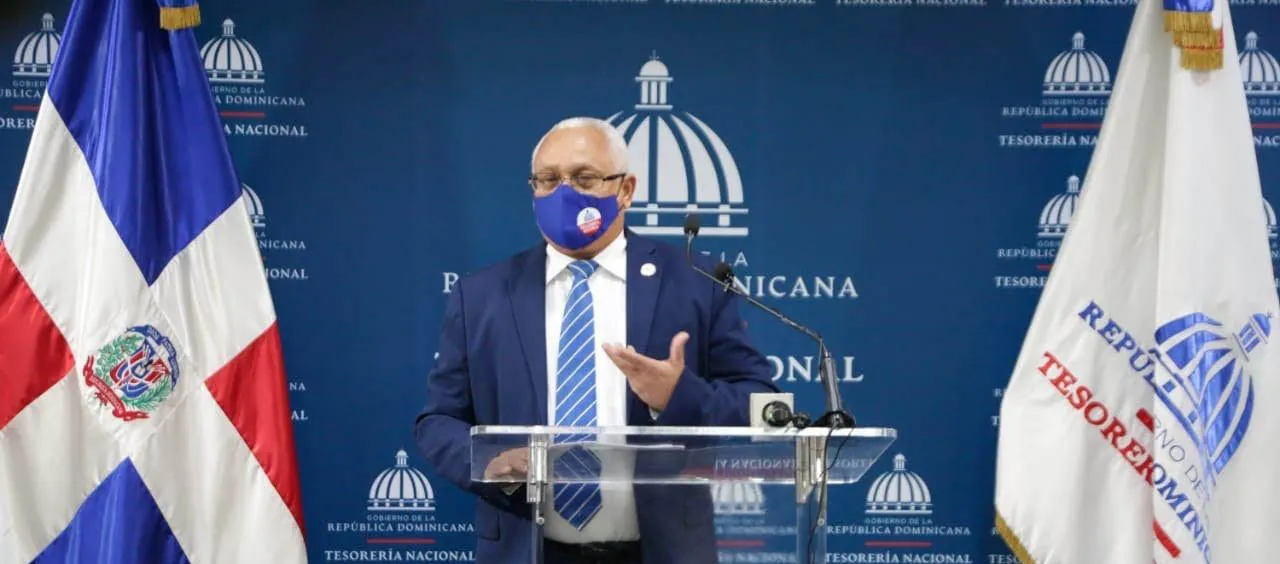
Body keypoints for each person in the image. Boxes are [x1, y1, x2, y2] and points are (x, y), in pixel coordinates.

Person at [413, 116, 779, 564]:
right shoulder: (482, 295)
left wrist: (677, 397)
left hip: (659, 552)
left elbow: (760, 403)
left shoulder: (695, 282)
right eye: (548, 180)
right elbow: (439, 420)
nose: (563, 194)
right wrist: (488, 461)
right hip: (527, 550)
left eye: (584, 178)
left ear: (626, 190)